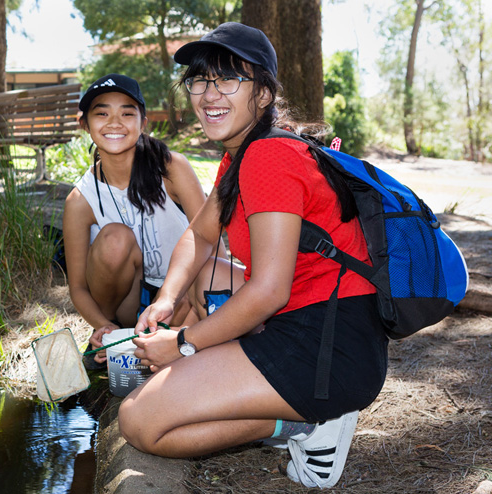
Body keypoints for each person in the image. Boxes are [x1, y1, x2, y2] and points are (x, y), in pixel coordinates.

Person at [118, 23, 389, 489]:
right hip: (324, 324)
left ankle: (304, 423)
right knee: (203, 276)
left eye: (228, 79)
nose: (208, 94)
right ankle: (266, 397)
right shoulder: (243, 153)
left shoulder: (267, 158)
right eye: (199, 81)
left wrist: (184, 343)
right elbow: (200, 237)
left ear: (263, 94)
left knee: (138, 422)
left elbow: (267, 291)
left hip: (327, 348)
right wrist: (165, 300)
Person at [62, 74, 207, 368]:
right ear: (84, 125)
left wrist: (189, 315)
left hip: (182, 293)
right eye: (102, 113)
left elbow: (211, 241)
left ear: (143, 123)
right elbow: (77, 288)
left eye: (127, 113)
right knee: (114, 238)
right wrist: (104, 326)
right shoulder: (80, 200)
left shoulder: (170, 168)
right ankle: (119, 339)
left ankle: (179, 340)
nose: (115, 122)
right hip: (130, 304)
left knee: (204, 271)